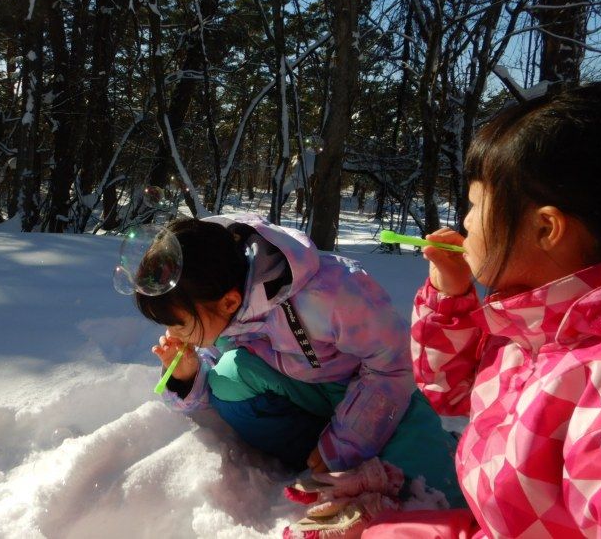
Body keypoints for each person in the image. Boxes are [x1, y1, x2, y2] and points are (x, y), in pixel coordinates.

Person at [133, 213, 466, 511]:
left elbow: (392, 366)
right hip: (308, 391)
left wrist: (346, 444)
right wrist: (186, 375)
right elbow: (216, 369)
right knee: (228, 378)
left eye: (179, 324)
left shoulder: (331, 293)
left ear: (229, 301)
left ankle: (394, 453)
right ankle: (315, 458)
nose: (172, 333)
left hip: (372, 391)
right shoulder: (221, 306)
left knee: (428, 490)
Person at [400, 82, 601, 538]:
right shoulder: (532, 324)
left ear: (546, 227)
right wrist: (451, 297)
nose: (464, 222)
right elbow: (449, 390)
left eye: (478, 205)